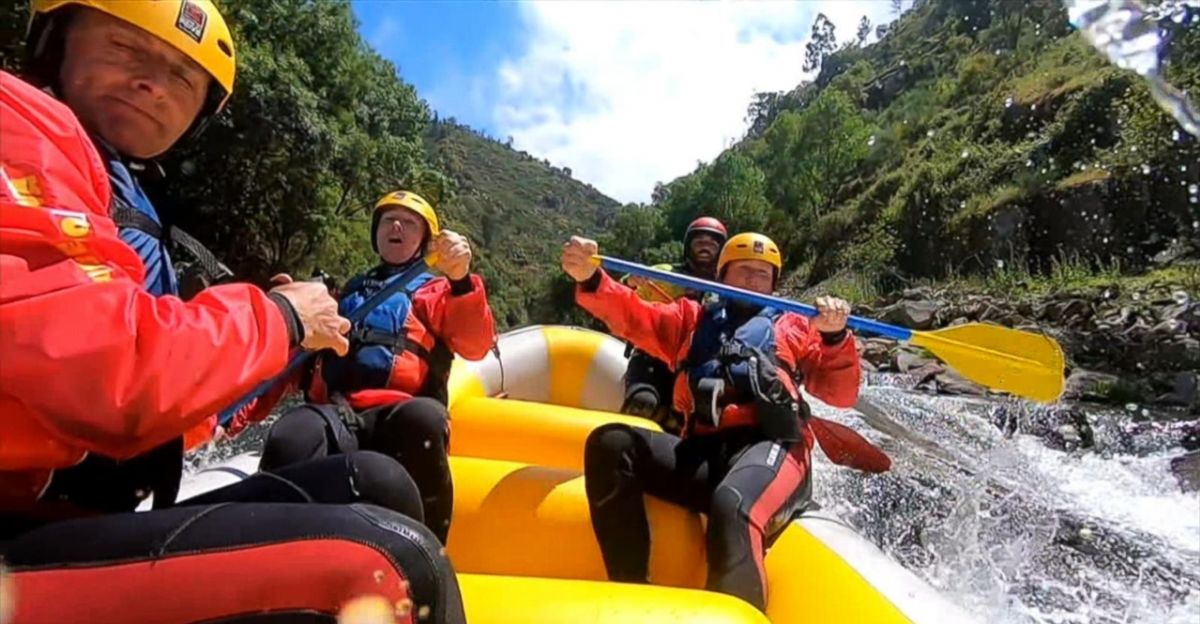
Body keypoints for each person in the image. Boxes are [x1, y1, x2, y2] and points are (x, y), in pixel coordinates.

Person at [0, 2, 464, 622]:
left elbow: (474, 336)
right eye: (125, 50)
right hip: (26, 520)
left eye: (182, 79)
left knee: (381, 477)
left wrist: (459, 282)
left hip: (85, 499)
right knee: (390, 562)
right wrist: (283, 324)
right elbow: (113, 375)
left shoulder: (437, 288)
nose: (153, 86)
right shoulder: (19, 124)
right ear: (55, 41)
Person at [560, 232, 862, 611]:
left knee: (732, 503)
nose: (753, 281)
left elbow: (840, 394)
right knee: (611, 443)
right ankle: (632, 594)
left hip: (774, 448)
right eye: (743, 271)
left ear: (774, 283)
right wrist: (591, 279)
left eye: (762, 274)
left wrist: (835, 339)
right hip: (707, 451)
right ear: (722, 277)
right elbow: (634, 316)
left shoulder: (796, 326)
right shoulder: (691, 319)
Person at [257, 190, 497, 545]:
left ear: (424, 240)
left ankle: (427, 551)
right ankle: (276, 549)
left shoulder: (438, 291)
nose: (397, 225)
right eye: (388, 220)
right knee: (292, 433)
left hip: (399, 411)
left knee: (424, 420)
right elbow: (296, 363)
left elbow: (476, 345)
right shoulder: (342, 295)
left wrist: (461, 279)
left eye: (409, 222)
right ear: (376, 232)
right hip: (339, 411)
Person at [620, 216, 727, 433]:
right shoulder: (663, 273)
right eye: (699, 242)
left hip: (694, 363)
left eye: (712, 243)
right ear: (689, 247)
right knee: (642, 405)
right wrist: (631, 282)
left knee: (679, 423)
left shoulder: (728, 285)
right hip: (652, 356)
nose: (705, 247)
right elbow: (622, 297)